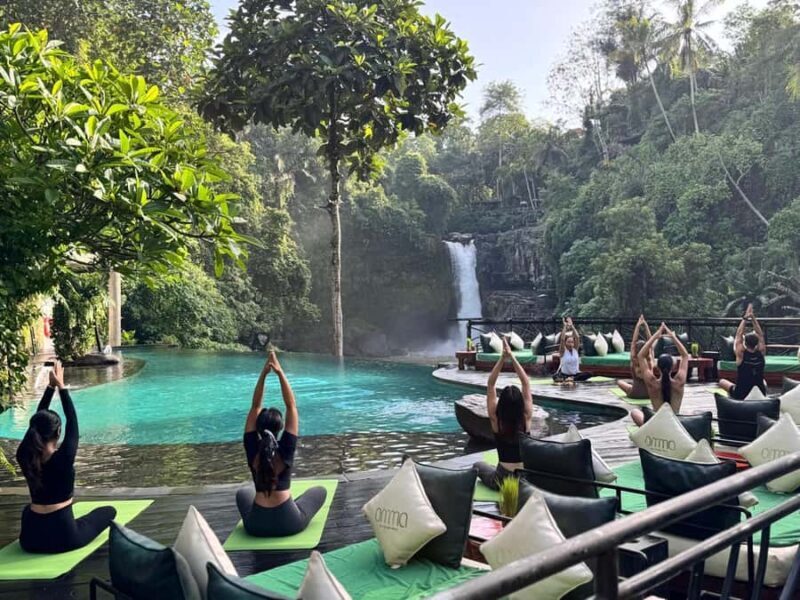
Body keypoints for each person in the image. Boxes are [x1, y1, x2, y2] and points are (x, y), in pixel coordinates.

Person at [16, 362, 116, 553]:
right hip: (64, 537)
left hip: (29, 539)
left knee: (28, 510)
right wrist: (61, 386)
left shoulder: (24, 455)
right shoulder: (63, 458)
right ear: (58, 432)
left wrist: (51, 387)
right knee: (108, 512)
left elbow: (38, 421)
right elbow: (73, 420)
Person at [236, 351, 327, 537]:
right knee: (319, 491)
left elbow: (255, 406)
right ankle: (294, 503)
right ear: (280, 427)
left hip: (255, 526)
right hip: (289, 523)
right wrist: (279, 372)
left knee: (243, 493)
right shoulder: (286, 447)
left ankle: (283, 505)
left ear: (258, 427)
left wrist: (263, 374)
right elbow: (291, 406)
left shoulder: (252, 446)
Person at [474, 338, 533, 490]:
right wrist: (512, 356)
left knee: (478, 465)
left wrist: (502, 358)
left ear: (501, 405)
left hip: (501, 479)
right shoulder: (526, 418)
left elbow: (491, 384)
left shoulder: (496, 420)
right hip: (524, 478)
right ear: (521, 404)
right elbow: (526, 382)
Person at [631, 323, 689, 426]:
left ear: (657, 367)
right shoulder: (679, 382)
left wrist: (656, 335)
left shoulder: (652, 383)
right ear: (673, 367)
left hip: (657, 427)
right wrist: (672, 336)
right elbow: (685, 355)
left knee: (634, 412)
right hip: (675, 426)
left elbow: (641, 356)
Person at [719, 304, 767, 399]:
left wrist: (745, 318)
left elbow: (738, 335)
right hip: (760, 391)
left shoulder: (741, 354)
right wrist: (752, 317)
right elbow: (760, 335)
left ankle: (732, 400)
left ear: (745, 342)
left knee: (722, 382)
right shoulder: (761, 353)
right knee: (764, 382)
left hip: (741, 393)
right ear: (757, 344)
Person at [617, 315, 652, 400]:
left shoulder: (634, 360)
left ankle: (632, 384)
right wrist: (645, 325)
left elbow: (633, 342)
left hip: (634, 393)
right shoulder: (650, 361)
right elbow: (651, 340)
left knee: (619, 382)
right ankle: (632, 383)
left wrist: (638, 325)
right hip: (650, 394)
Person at [553, 317, 591, 383]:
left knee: (589, 374)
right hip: (564, 375)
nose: (571, 344)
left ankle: (572, 379)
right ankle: (569, 379)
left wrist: (572, 326)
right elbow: (562, 339)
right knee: (555, 377)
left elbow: (577, 337)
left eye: (572, 342)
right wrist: (564, 327)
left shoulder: (575, 350)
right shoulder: (563, 351)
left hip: (575, 375)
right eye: (568, 342)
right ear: (565, 343)